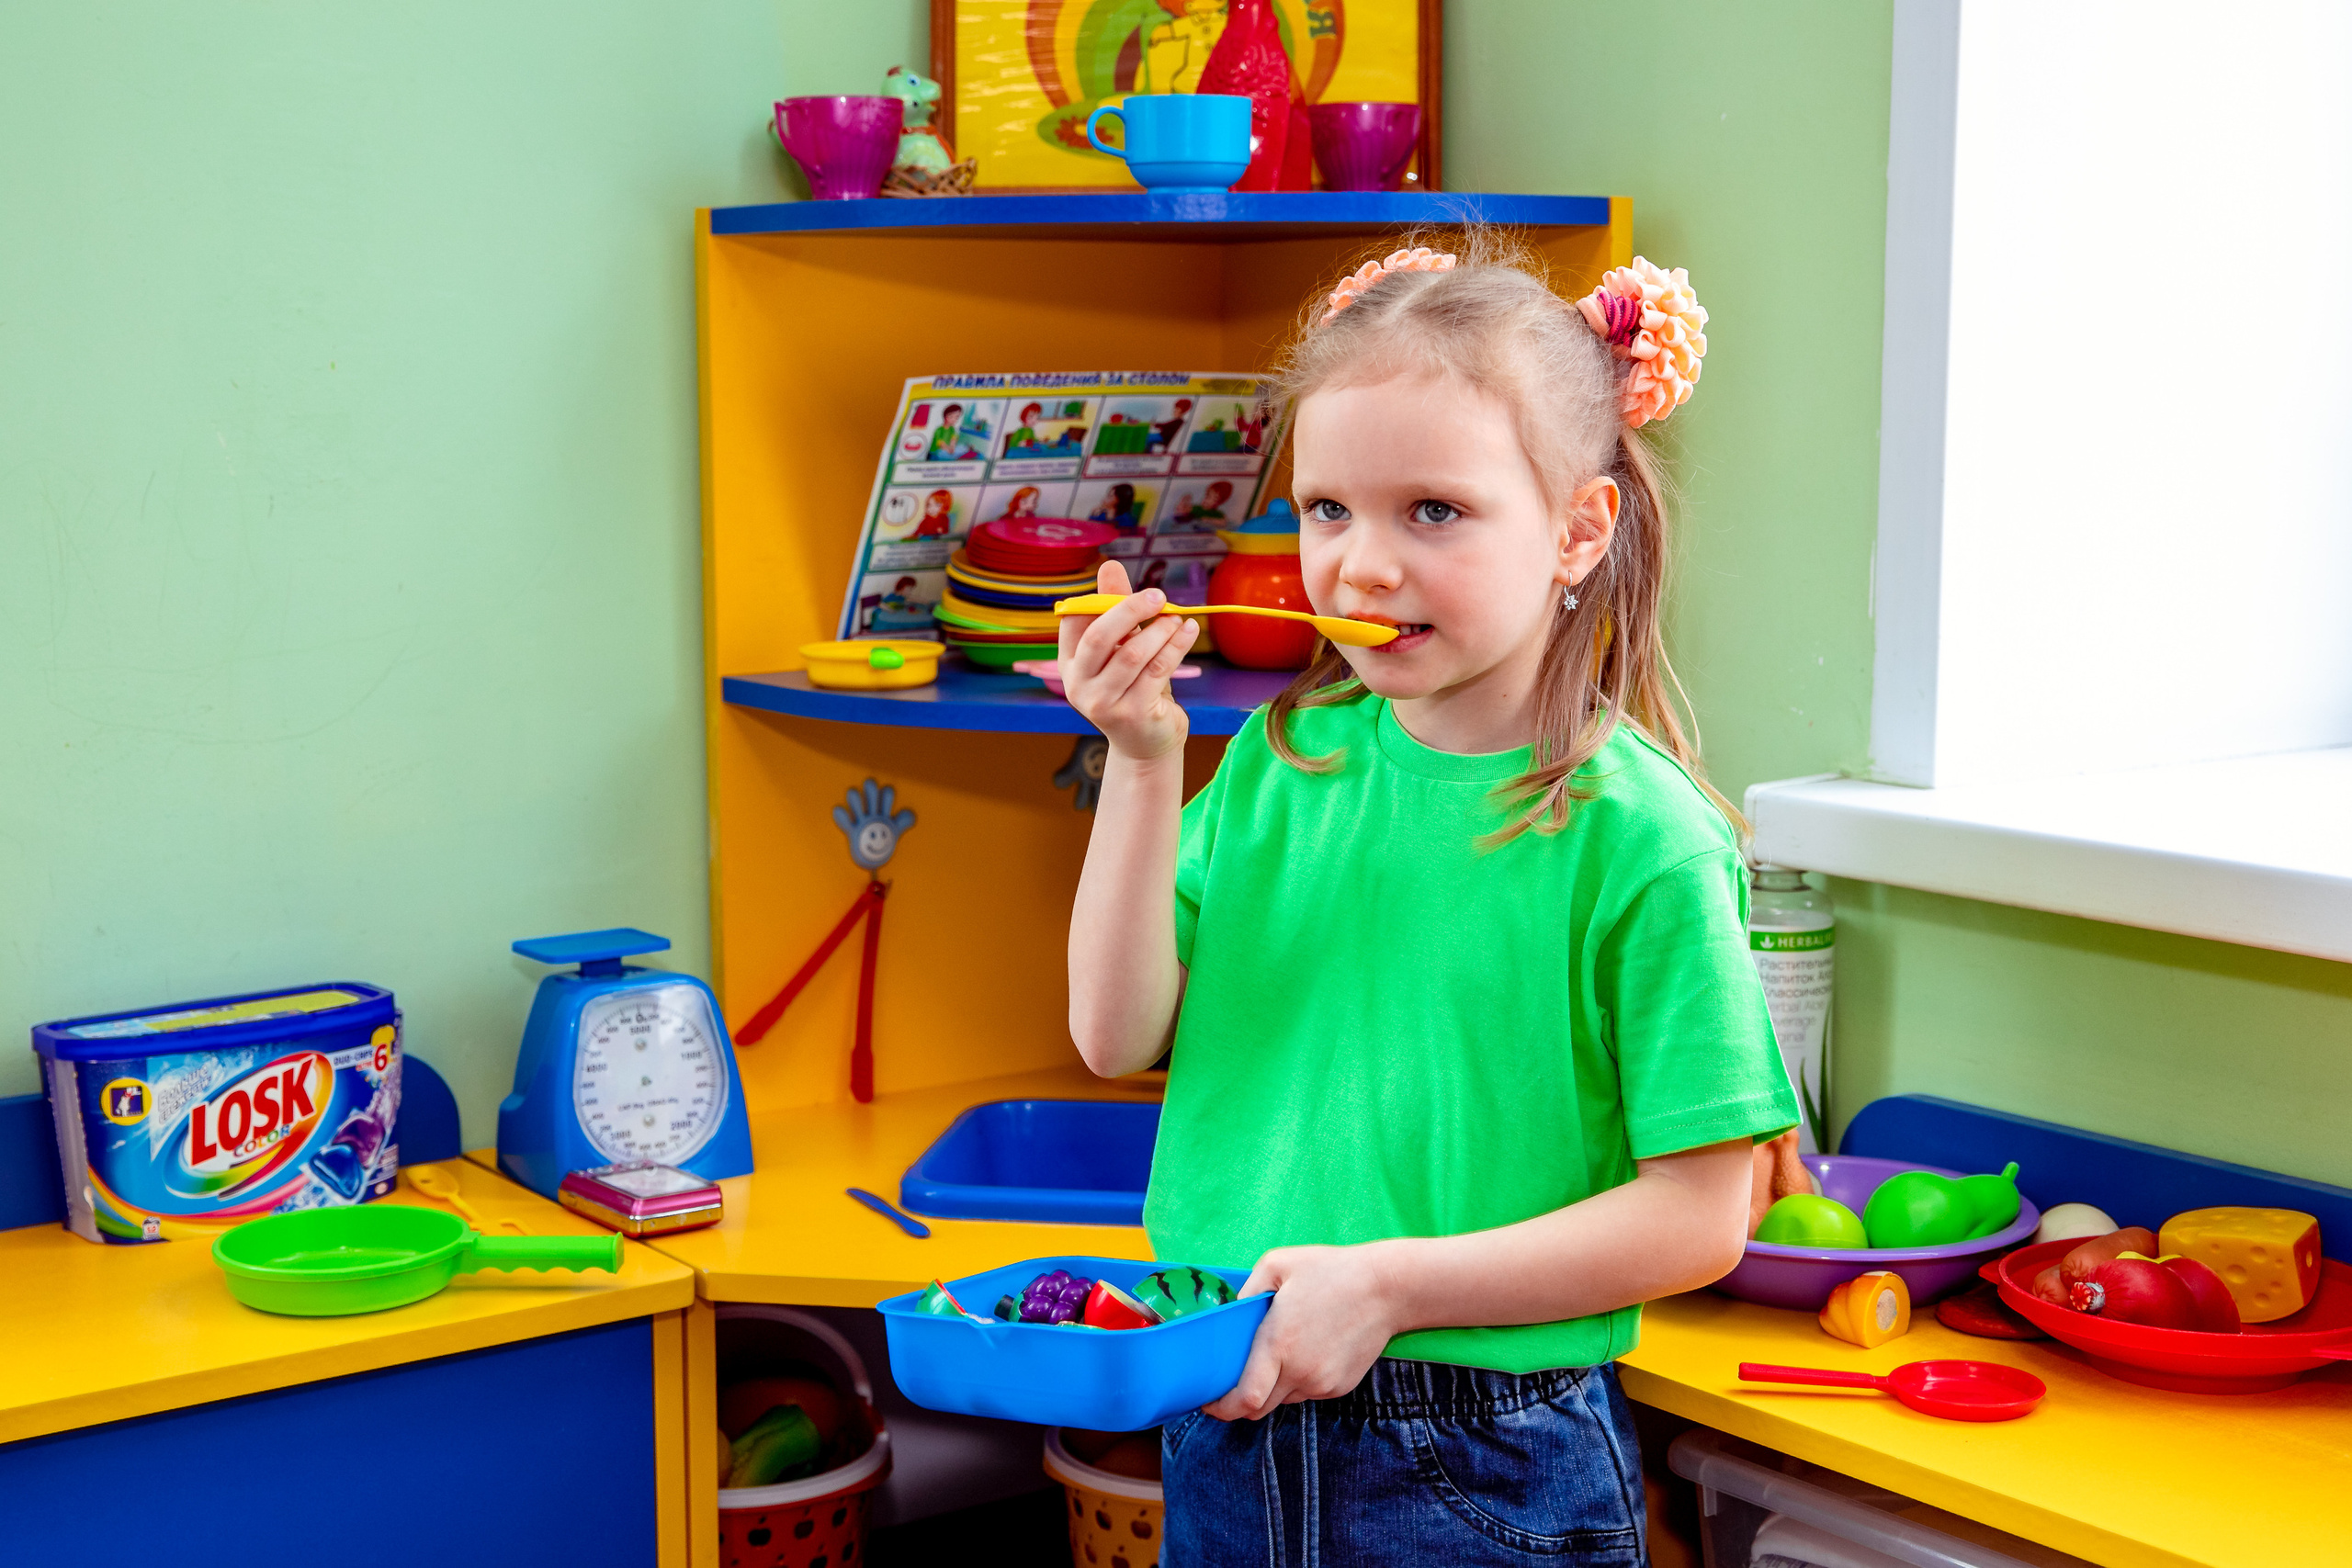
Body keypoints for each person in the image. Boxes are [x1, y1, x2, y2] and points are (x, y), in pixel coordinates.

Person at [1057, 238, 1788, 1567]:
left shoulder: (1641, 839)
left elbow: (1702, 1214)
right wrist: (1144, 758)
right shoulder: (1279, 769)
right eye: (1327, 510)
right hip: (1228, 1422)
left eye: (1432, 513)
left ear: (1579, 530)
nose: (1361, 569)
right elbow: (1115, 1035)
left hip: (1487, 1459)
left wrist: (1390, 1287)